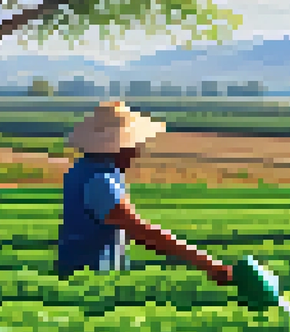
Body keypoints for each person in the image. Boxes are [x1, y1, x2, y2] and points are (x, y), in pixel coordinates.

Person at [57, 101, 234, 285]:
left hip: (77, 271)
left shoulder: (82, 170)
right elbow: (140, 231)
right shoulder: (101, 181)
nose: (137, 152)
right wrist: (207, 263)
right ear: (118, 146)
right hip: (90, 279)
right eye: (133, 144)